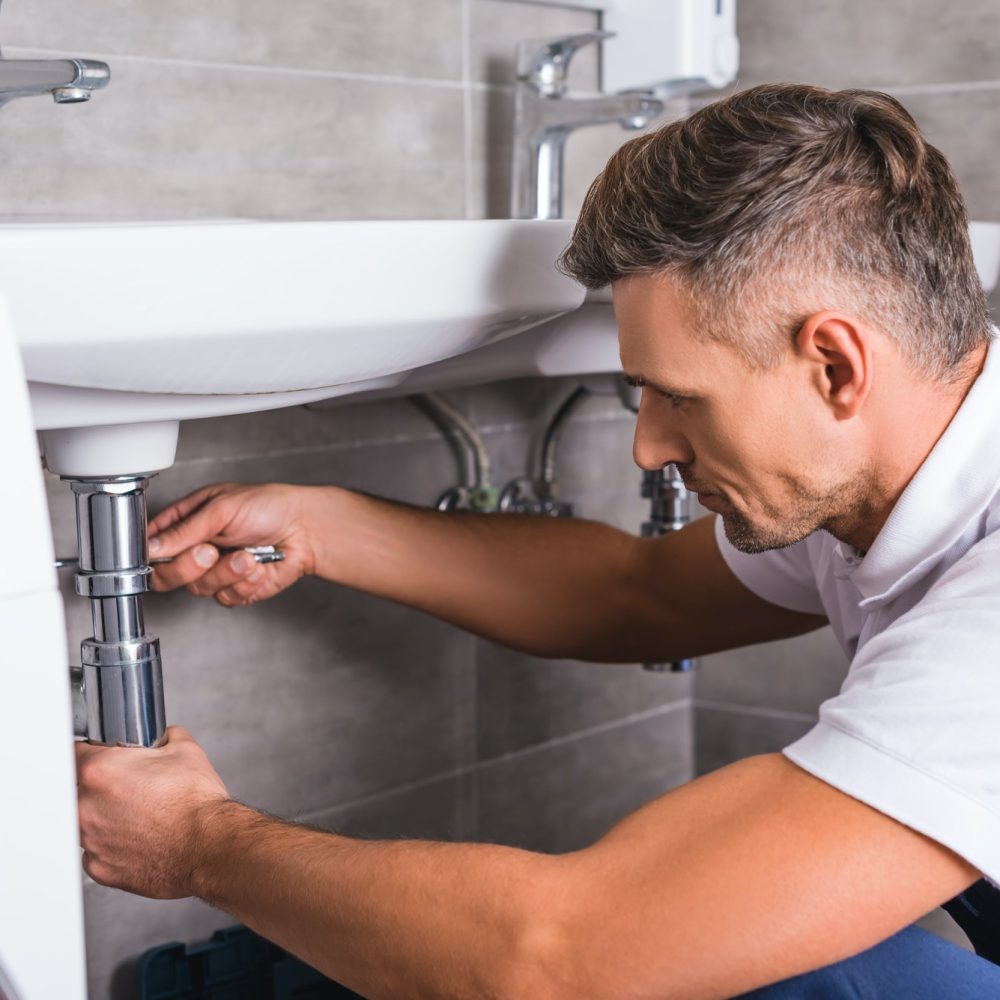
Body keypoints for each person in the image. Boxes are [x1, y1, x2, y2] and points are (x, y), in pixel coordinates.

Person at [76, 83, 1000, 998]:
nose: (649, 444)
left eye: (680, 396)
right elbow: (635, 595)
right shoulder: (883, 463)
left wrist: (199, 844)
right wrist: (320, 526)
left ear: (836, 366)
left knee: (788, 965)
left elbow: (567, 959)